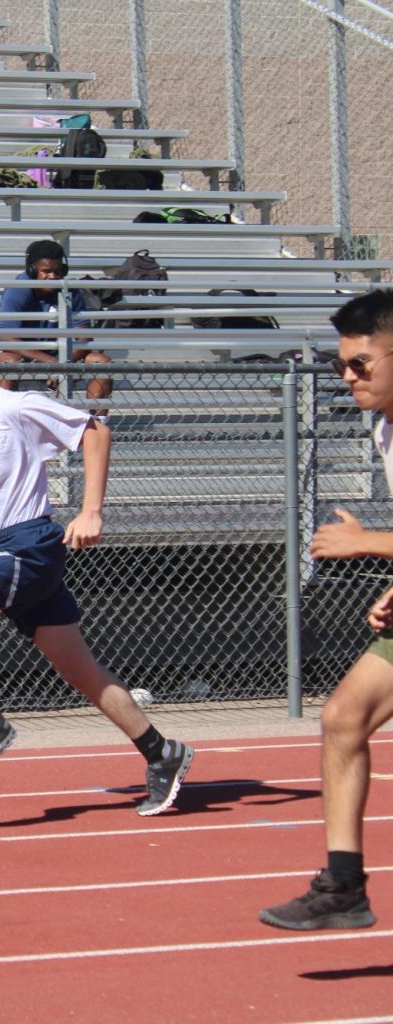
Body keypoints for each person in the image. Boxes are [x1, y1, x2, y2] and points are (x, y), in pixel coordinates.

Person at [0, 327, 193, 813]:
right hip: (2, 545)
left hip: (32, 542)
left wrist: (91, 511)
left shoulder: (14, 406)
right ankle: (161, 752)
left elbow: (95, 430)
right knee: (79, 669)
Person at [259, 290, 393, 931]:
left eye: (360, 364)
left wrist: (367, 543)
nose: (347, 377)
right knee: (343, 718)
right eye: (342, 364)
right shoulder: (386, 425)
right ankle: (343, 887)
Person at [0, 239, 112, 401]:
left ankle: (97, 424)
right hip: (20, 352)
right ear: (32, 269)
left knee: (102, 362)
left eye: (57, 272)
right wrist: (51, 363)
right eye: (46, 271)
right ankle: (2, 421)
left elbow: (83, 336)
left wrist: (62, 365)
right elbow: (6, 337)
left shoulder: (69, 290)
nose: (53, 277)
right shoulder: (18, 289)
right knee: (10, 362)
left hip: (59, 355)